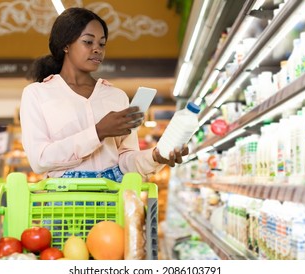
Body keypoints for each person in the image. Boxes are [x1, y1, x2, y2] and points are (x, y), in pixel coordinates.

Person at [20, 7, 188, 182]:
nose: (97, 49)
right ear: (65, 45)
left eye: (102, 44)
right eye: (88, 42)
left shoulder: (117, 97)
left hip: (112, 197)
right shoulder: (37, 94)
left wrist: (155, 157)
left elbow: (125, 161)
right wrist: (99, 132)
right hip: (63, 201)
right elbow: (39, 160)